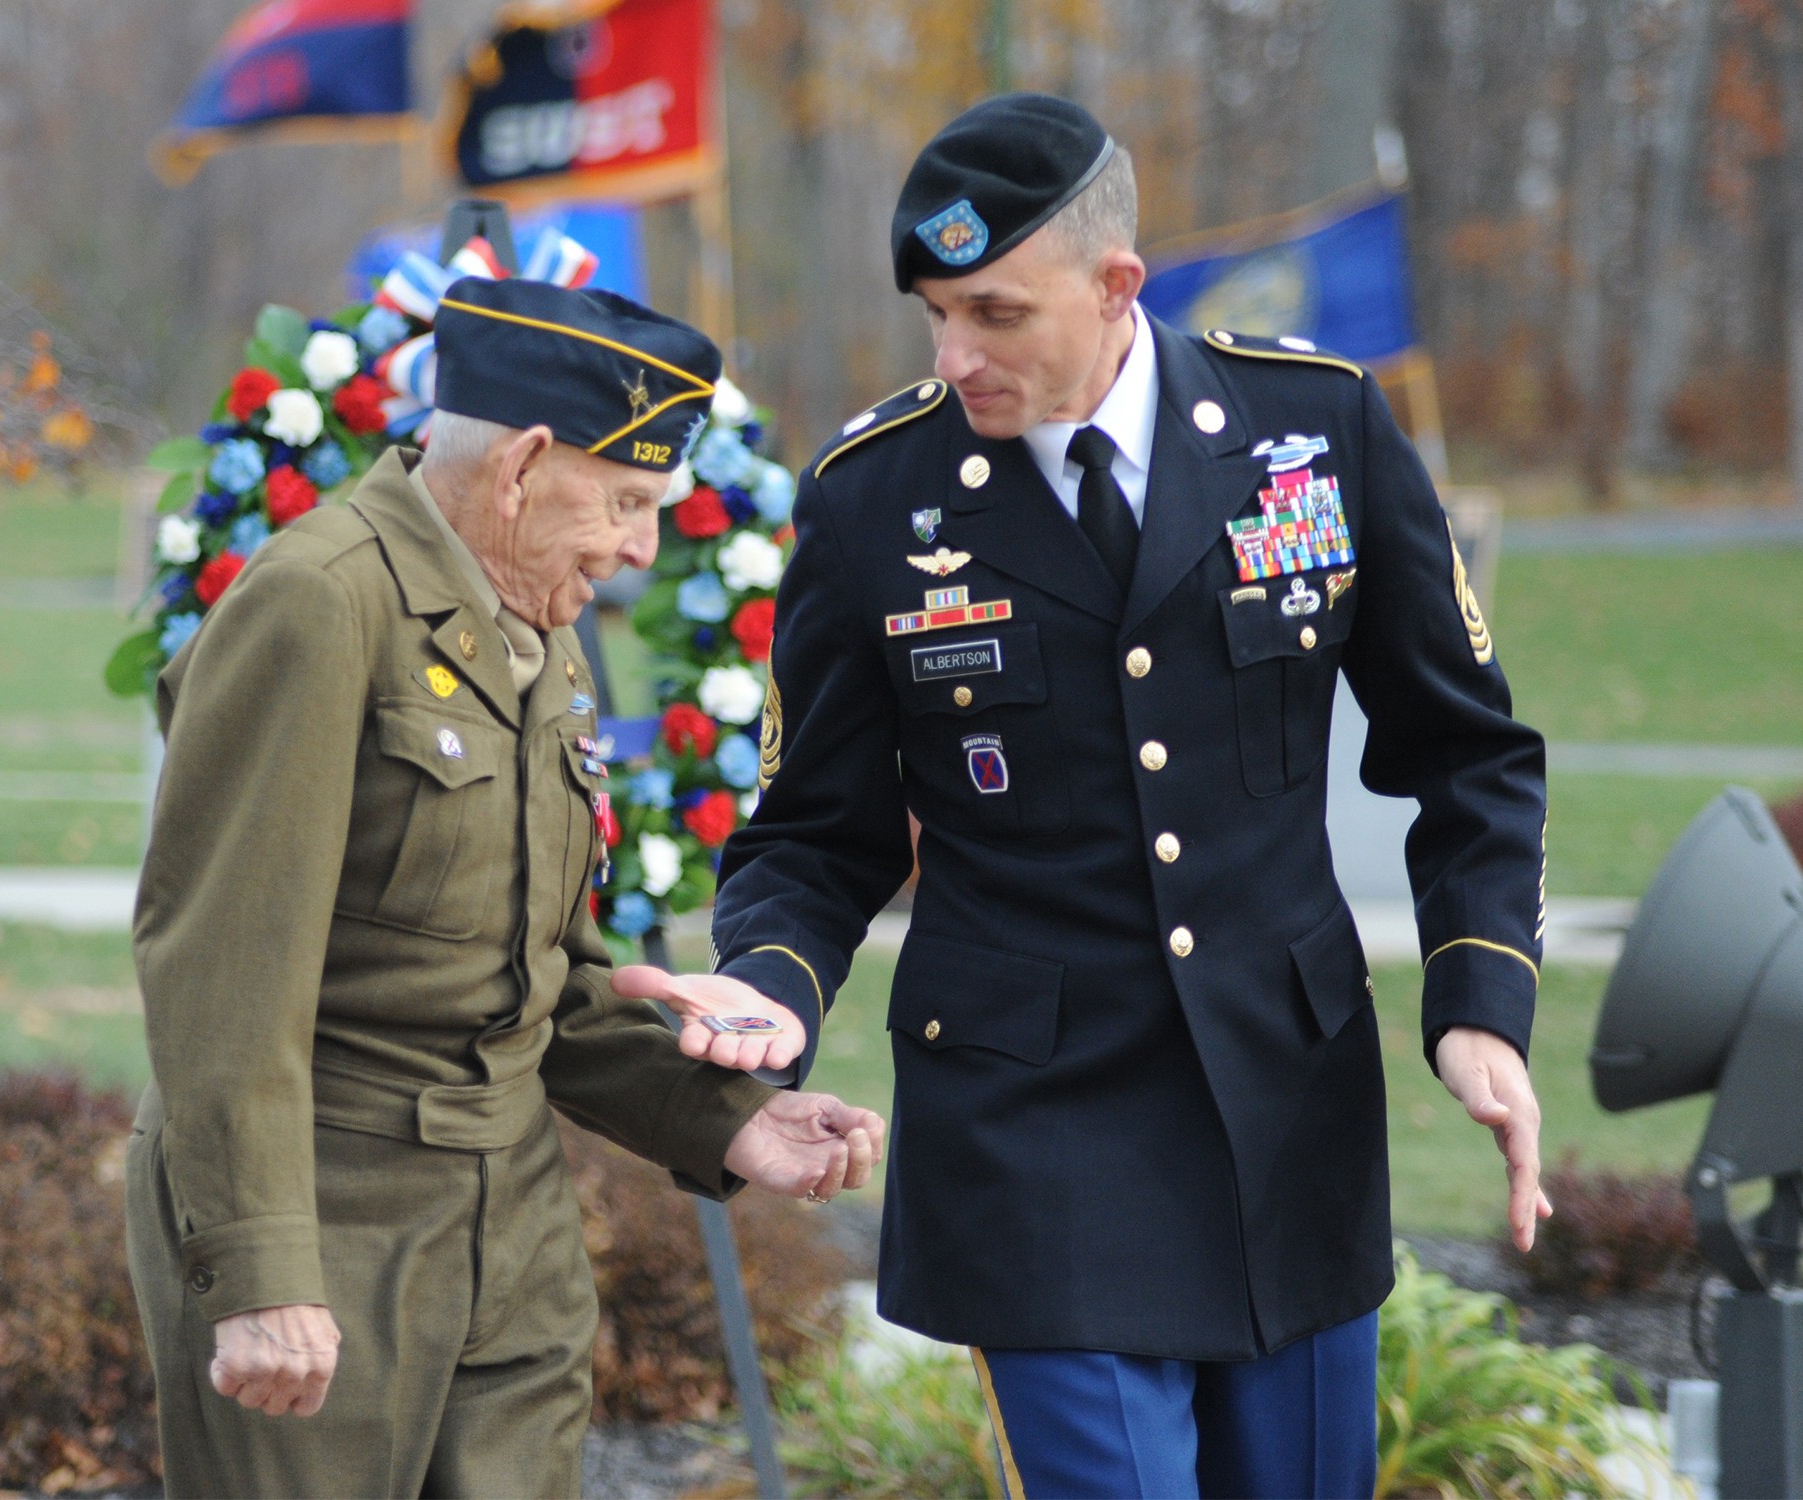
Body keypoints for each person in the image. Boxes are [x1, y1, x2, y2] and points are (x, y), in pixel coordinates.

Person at [613, 94, 1550, 1498]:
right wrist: (771, 988)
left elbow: (1468, 750)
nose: (955, 354)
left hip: (1284, 1118)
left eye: (996, 313)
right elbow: (815, 831)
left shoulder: (1315, 431)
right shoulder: (877, 498)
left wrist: (1482, 1001)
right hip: (1031, 1137)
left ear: (1119, 286)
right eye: (936, 313)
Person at [125, 275, 885, 1500]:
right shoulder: (322, 604)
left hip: (513, 1242)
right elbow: (218, 970)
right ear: (525, 465)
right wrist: (262, 1268)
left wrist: (728, 1118)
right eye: (629, 502)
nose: (643, 547)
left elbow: (535, 979)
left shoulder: (537, 622)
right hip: (332, 1225)